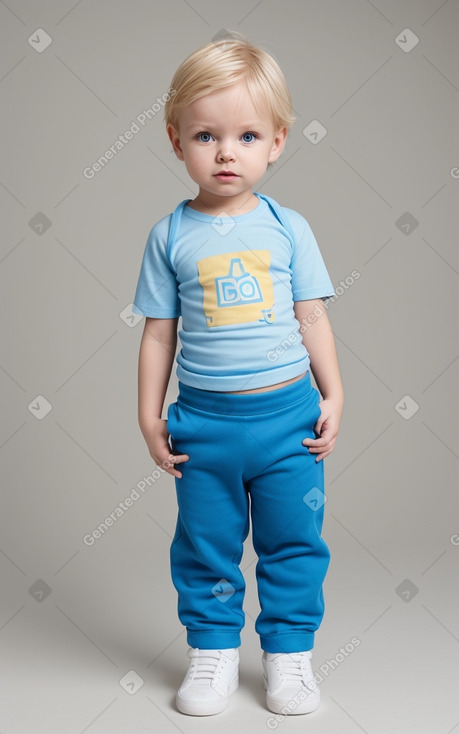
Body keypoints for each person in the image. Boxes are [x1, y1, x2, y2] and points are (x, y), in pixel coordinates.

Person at [132, 34, 344, 717]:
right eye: (205, 135)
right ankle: (213, 651)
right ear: (176, 141)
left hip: (287, 422)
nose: (226, 152)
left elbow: (310, 317)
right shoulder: (169, 236)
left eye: (246, 135)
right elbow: (159, 333)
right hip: (205, 426)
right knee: (205, 543)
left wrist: (334, 392)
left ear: (276, 142)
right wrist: (148, 414)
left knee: (293, 541)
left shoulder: (290, 229)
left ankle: (289, 657)